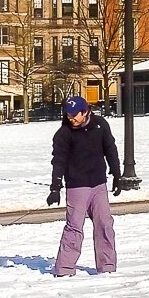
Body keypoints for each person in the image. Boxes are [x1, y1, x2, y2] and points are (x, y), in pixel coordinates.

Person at [46, 96, 122, 277]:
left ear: (85, 112)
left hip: (98, 184)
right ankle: (64, 269)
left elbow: (110, 149)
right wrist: (55, 187)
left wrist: (117, 174)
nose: (71, 118)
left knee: (104, 224)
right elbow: (59, 160)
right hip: (76, 186)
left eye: (75, 115)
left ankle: (107, 266)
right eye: (68, 115)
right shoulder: (63, 134)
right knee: (74, 227)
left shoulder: (100, 125)